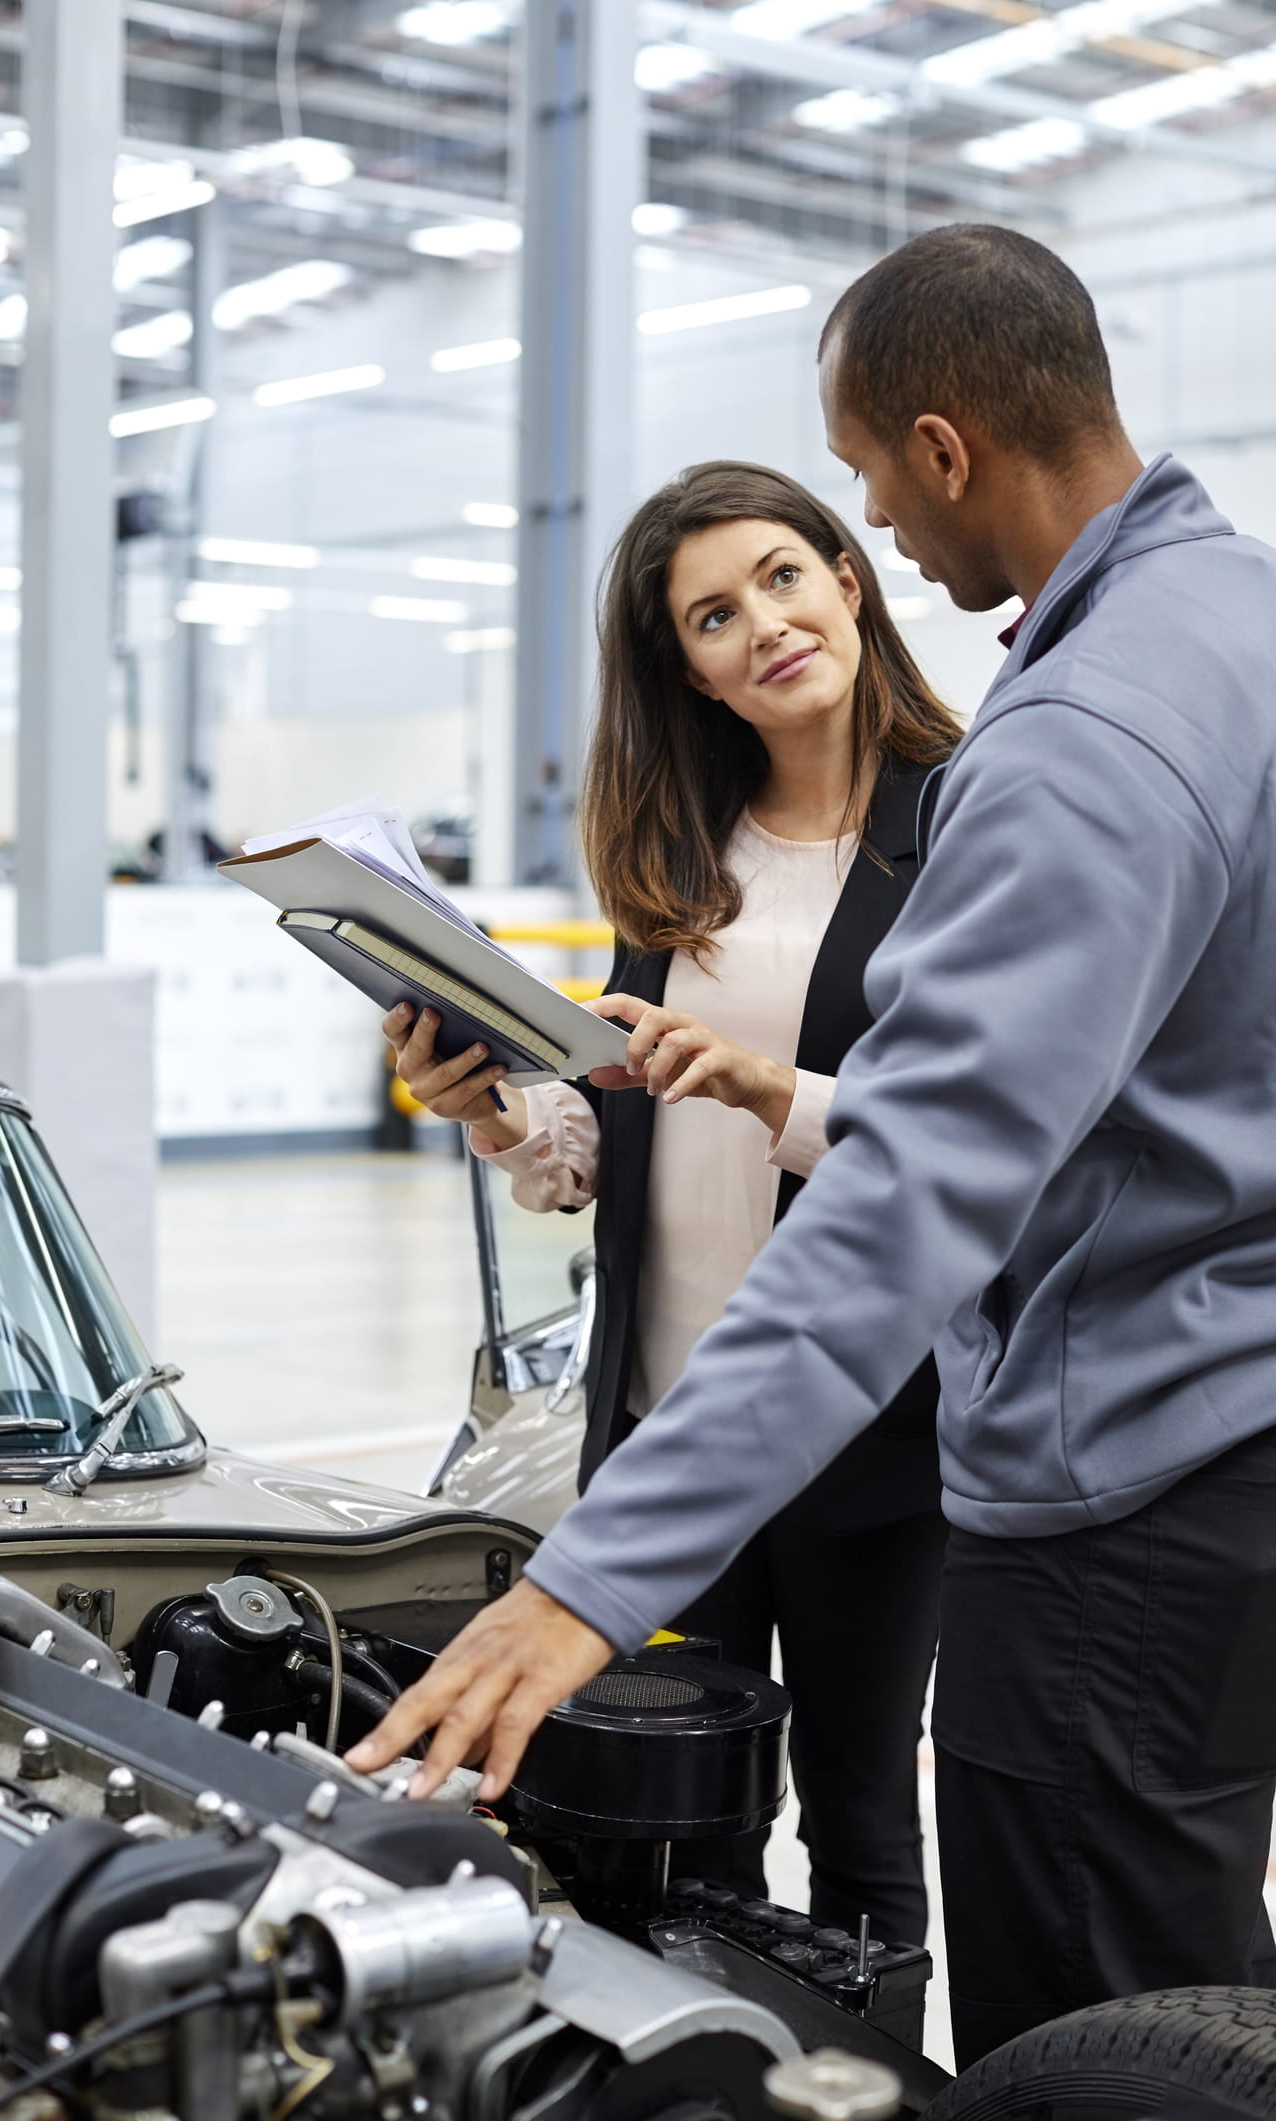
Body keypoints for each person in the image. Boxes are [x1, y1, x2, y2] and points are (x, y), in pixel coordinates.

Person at [350, 223, 1276, 2071]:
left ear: (936, 455)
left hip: (1109, 1495)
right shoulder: (1229, 616)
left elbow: (908, 1196)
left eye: (851, 481)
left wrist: (577, 1585)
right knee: (1187, 1989)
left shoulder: (1068, 741)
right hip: (1207, 1437)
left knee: (1097, 2042)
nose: (864, 527)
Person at [384, 461, 960, 1943]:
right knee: (684, 1798)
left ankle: (867, 2076)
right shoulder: (678, 861)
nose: (760, 624)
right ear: (687, 670)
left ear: (847, 572)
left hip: (860, 1418)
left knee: (853, 1802)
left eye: (780, 575)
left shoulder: (961, 828)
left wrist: (767, 1088)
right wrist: (503, 1111)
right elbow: (602, 1146)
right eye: (712, 615)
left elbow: (967, 1142)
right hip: (663, 1414)